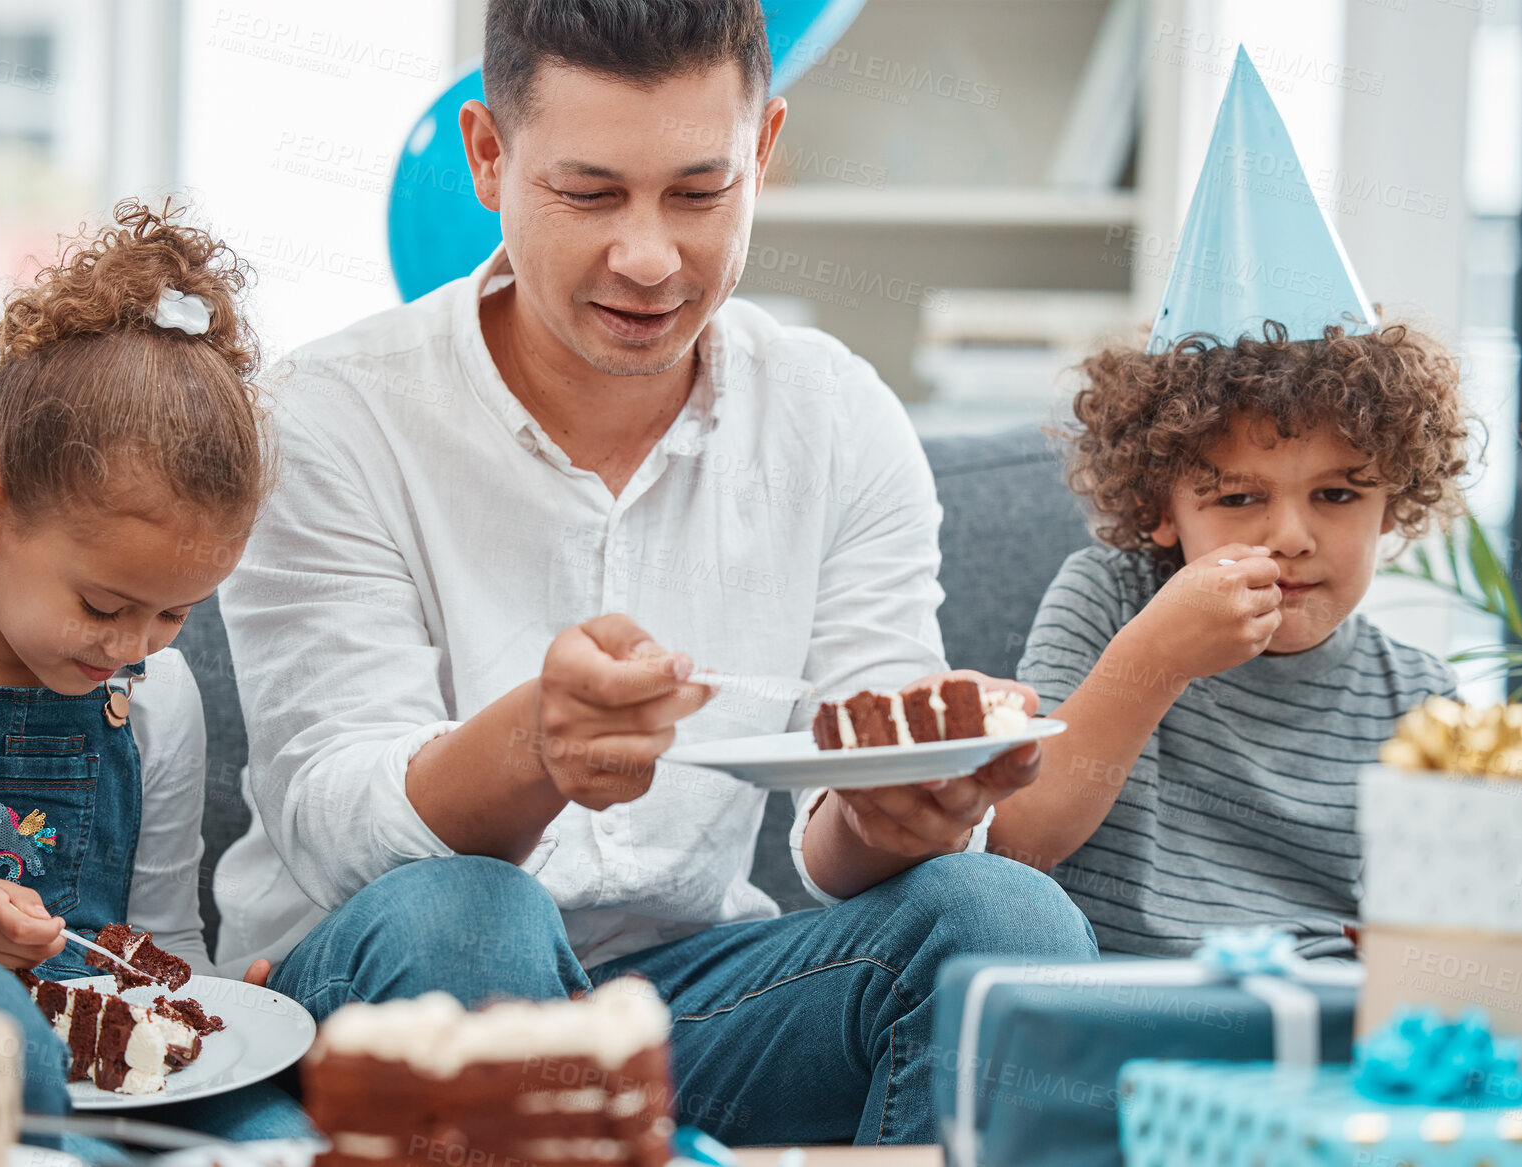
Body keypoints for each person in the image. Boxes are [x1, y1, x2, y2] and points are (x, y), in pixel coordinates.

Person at [214, 0, 1096, 1145]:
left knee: (1002, 922)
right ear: (489, 157)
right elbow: (336, 823)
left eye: (699, 193)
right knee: (470, 917)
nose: (648, 258)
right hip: (393, 985)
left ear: (764, 152)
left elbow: (838, 840)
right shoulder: (328, 417)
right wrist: (538, 745)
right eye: (589, 195)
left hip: (691, 999)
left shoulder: (833, 415)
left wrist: (909, 802)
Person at [0, 201, 304, 1144]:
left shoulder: (156, 696)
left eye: (176, 613)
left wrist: (204, 1003)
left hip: (119, 1070)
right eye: (106, 607)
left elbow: (167, 934)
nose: (134, 646)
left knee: (275, 1133)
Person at [989, 48, 1471, 959]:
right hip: (1121, 1011)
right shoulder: (1110, 600)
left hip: (1320, 1036)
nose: (1290, 536)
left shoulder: (1419, 701)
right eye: (1239, 496)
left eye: (1336, 493)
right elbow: (1018, 840)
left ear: (1392, 501)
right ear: (1162, 504)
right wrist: (1157, 657)